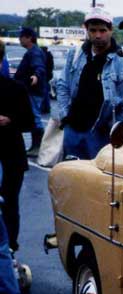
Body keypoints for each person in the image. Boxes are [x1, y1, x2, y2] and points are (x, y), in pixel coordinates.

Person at [57, 8, 123, 160]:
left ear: (111, 30)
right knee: (72, 176)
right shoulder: (74, 55)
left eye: (102, 30)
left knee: (96, 180)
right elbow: (62, 85)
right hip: (73, 130)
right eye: (93, 30)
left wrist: (119, 130)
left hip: (101, 134)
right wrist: (65, 116)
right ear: (86, 29)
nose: (98, 35)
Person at [0, 71, 33, 279]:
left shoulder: (15, 88)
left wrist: (10, 119)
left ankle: (10, 251)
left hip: (11, 157)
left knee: (9, 204)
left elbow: (29, 122)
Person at [14, 28, 47, 157]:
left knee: (35, 117)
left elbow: (39, 67)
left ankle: (38, 147)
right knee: (33, 117)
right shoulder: (32, 51)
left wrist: (36, 76)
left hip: (33, 90)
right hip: (31, 90)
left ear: (29, 38)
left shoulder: (34, 53)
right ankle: (35, 146)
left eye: (21, 37)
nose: (19, 39)